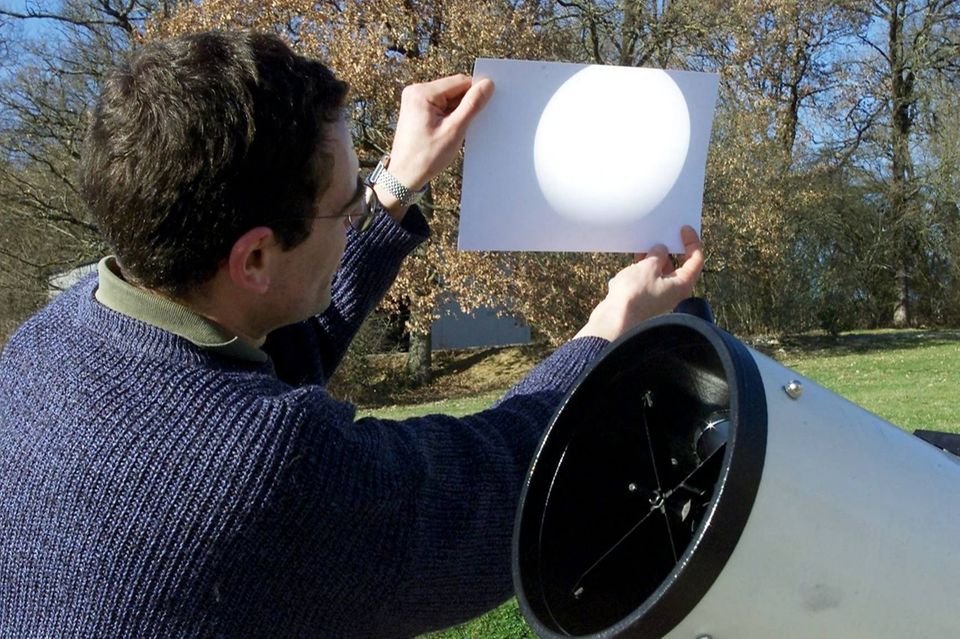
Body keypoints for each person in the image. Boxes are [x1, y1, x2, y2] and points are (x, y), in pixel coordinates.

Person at [0, 31, 703, 638]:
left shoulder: (46, 346)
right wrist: (610, 328)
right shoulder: (268, 470)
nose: (361, 211)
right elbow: (502, 487)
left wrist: (395, 186)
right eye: (349, 205)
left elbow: (262, 349)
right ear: (253, 257)